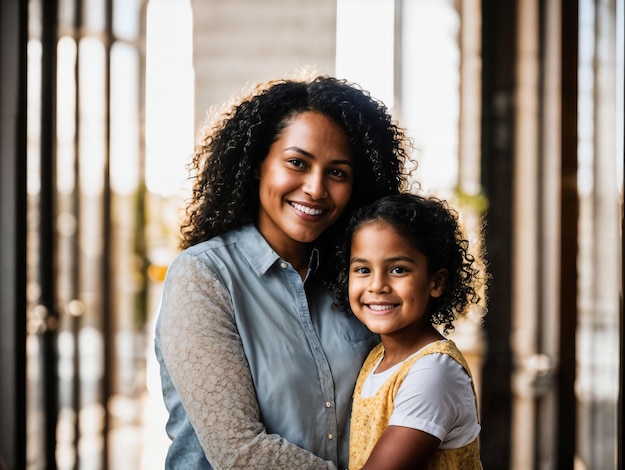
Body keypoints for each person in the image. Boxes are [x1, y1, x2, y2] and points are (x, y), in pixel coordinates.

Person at [154, 72, 413, 469]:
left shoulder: (358, 280)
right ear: (258, 164)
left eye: (337, 172)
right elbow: (239, 452)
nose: (315, 188)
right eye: (297, 163)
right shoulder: (203, 277)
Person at [330, 193, 484, 469]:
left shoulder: (435, 372)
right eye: (363, 269)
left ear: (436, 282)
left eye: (398, 269)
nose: (377, 285)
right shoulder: (377, 357)